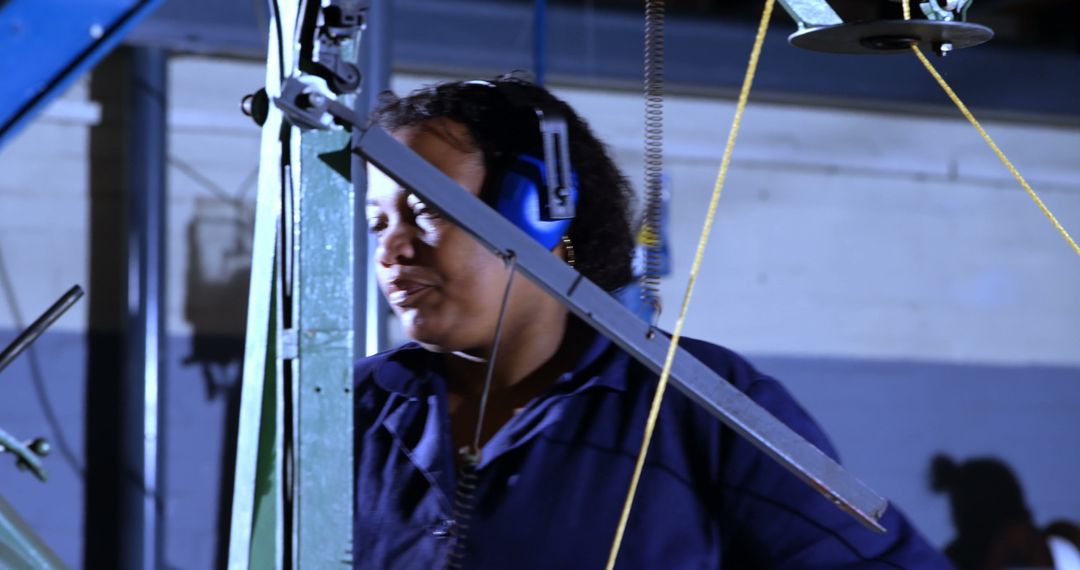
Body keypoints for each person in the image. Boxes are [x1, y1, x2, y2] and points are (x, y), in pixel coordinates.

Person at [354, 76, 952, 569]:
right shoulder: (347, 406)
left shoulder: (700, 404)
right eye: (378, 224)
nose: (390, 252)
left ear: (539, 213)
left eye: (427, 211)